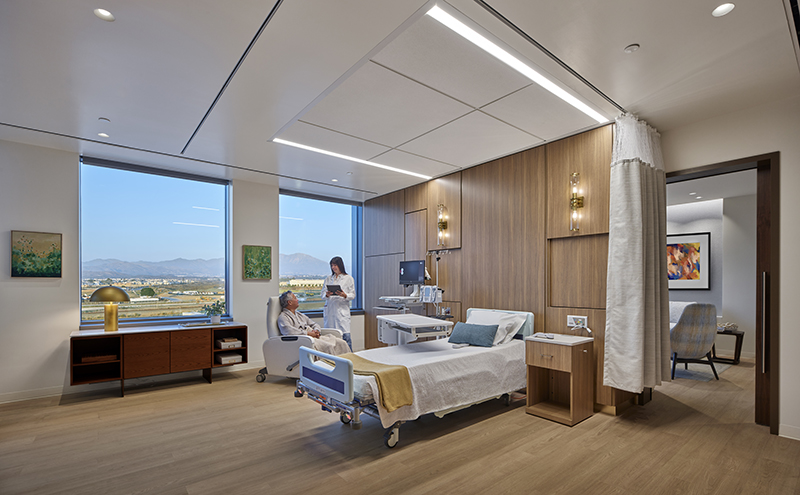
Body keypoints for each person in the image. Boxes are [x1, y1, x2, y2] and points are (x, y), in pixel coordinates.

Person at [276, 291, 349, 356]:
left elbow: (314, 324)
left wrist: (317, 330)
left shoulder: (300, 315)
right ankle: (334, 365)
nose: (297, 300)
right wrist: (309, 334)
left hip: (315, 336)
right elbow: (289, 332)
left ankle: (349, 363)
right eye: (295, 298)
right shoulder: (283, 317)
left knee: (341, 342)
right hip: (305, 340)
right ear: (290, 302)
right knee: (328, 346)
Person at [321, 256, 355, 350]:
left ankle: (349, 356)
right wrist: (327, 294)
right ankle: (333, 357)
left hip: (342, 312)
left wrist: (344, 295)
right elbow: (322, 294)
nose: (333, 267)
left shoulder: (348, 278)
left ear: (340, 265)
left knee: (346, 338)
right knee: (331, 338)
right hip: (330, 311)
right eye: (332, 265)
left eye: (335, 265)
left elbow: (352, 295)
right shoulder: (328, 279)